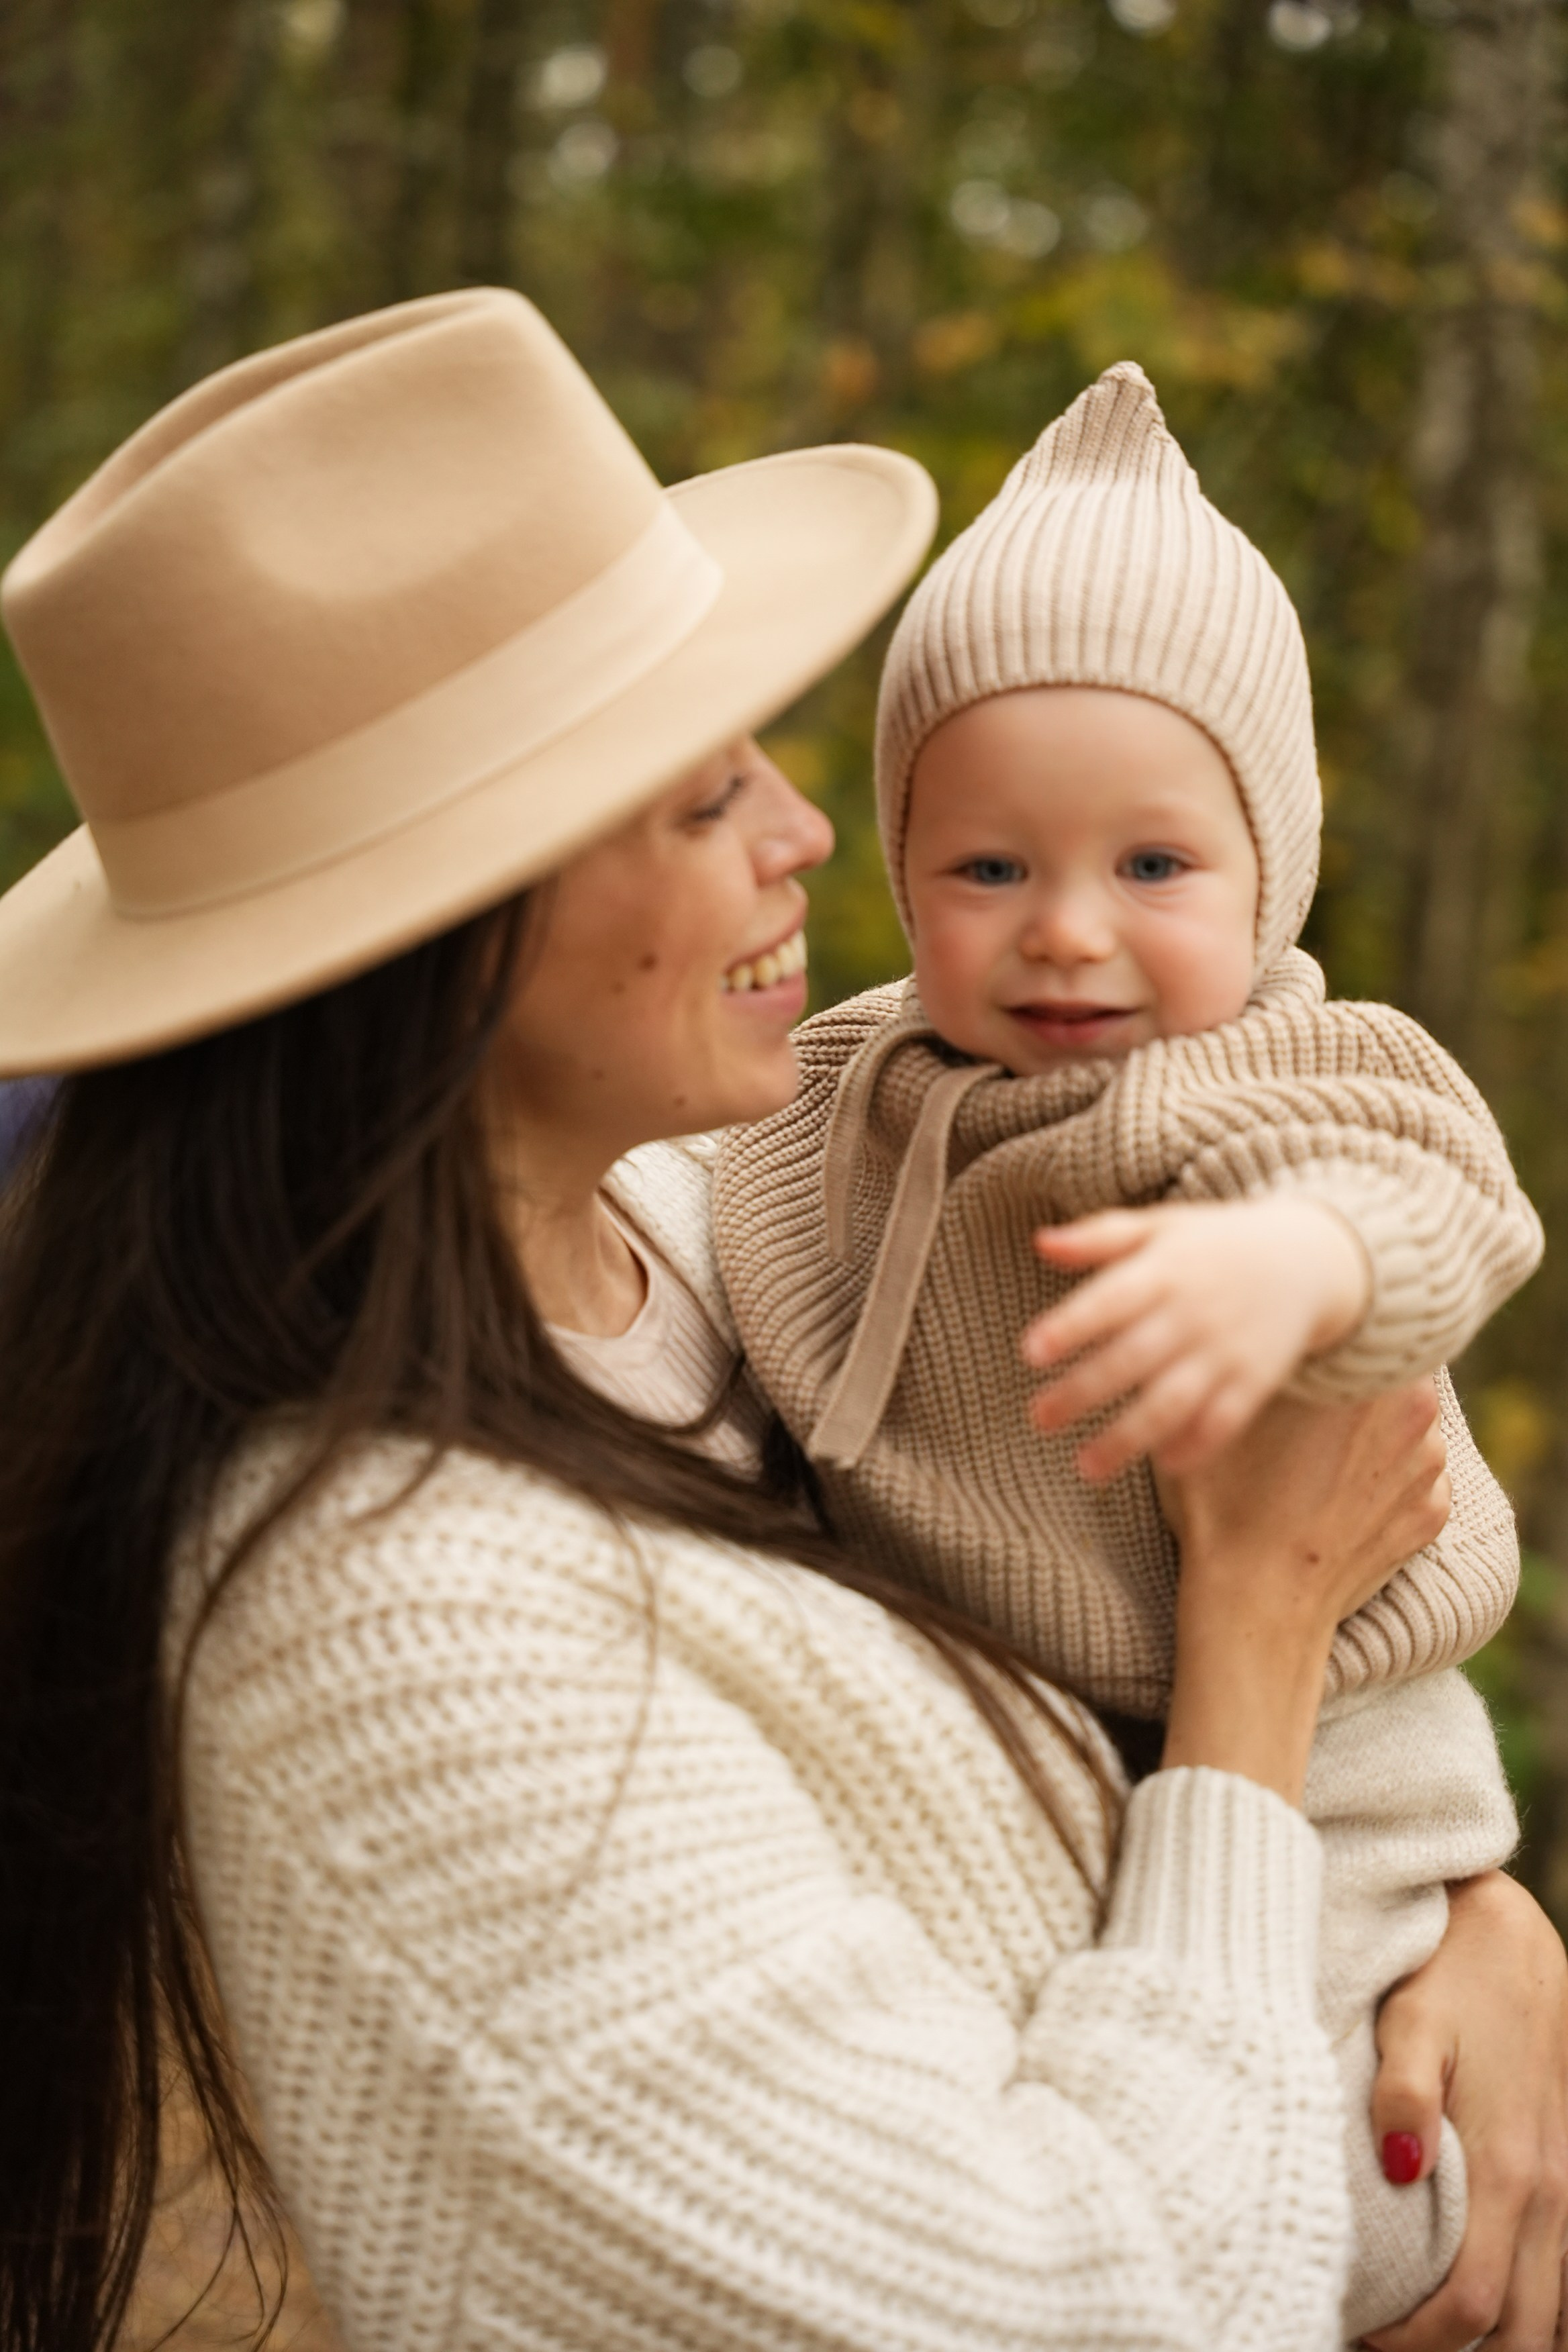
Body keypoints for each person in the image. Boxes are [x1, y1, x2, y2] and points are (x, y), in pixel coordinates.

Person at [0, 292, 1561, 2352]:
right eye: (697, 792)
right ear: (439, 929)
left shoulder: (695, 1237)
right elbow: (1079, 2314)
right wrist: (1257, 1639)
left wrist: (1471, 1916)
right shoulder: (396, 1625)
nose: (810, 835)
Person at [714, 364, 1548, 2336]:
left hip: (1333, 1750)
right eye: (989, 869)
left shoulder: (1279, 1073)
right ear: (903, 871)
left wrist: (1294, 1267)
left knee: (1350, 2189)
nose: (1069, 933)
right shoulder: (852, 1084)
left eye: (1154, 868)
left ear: (1272, 871)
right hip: (1062, 1742)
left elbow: (1441, 1200)